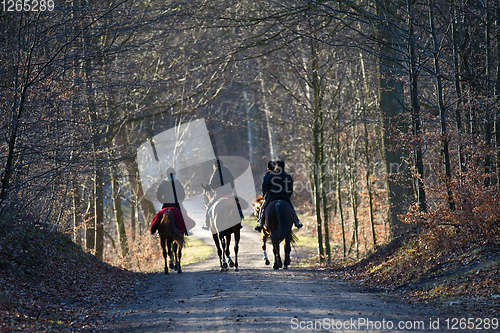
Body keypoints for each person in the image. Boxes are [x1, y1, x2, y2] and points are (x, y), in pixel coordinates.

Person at [254, 160, 302, 232]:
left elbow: (266, 187)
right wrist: (287, 196)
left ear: (276, 167)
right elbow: (290, 189)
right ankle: (296, 222)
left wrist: (266, 195)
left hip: (272, 196)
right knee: (291, 209)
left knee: (263, 208)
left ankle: (261, 223)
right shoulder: (287, 176)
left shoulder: (271, 175)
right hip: (284, 196)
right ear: (284, 167)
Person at [202, 159, 244, 230]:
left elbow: (212, 185)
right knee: (237, 206)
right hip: (229, 195)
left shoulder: (215, 173)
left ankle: (207, 224)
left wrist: (214, 190)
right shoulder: (228, 172)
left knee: (209, 207)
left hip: (219, 195)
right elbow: (232, 182)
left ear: (215, 166)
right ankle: (239, 223)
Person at [152, 168, 194, 236]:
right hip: (177, 204)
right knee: (184, 214)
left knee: (159, 217)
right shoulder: (178, 182)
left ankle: (158, 231)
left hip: (166, 204)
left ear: (166, 175)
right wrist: (180, 201)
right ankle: (186, 230)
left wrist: (162, 201)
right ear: (174, 174)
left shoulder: (162, 183)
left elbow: (158, 195)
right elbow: (182, 194)